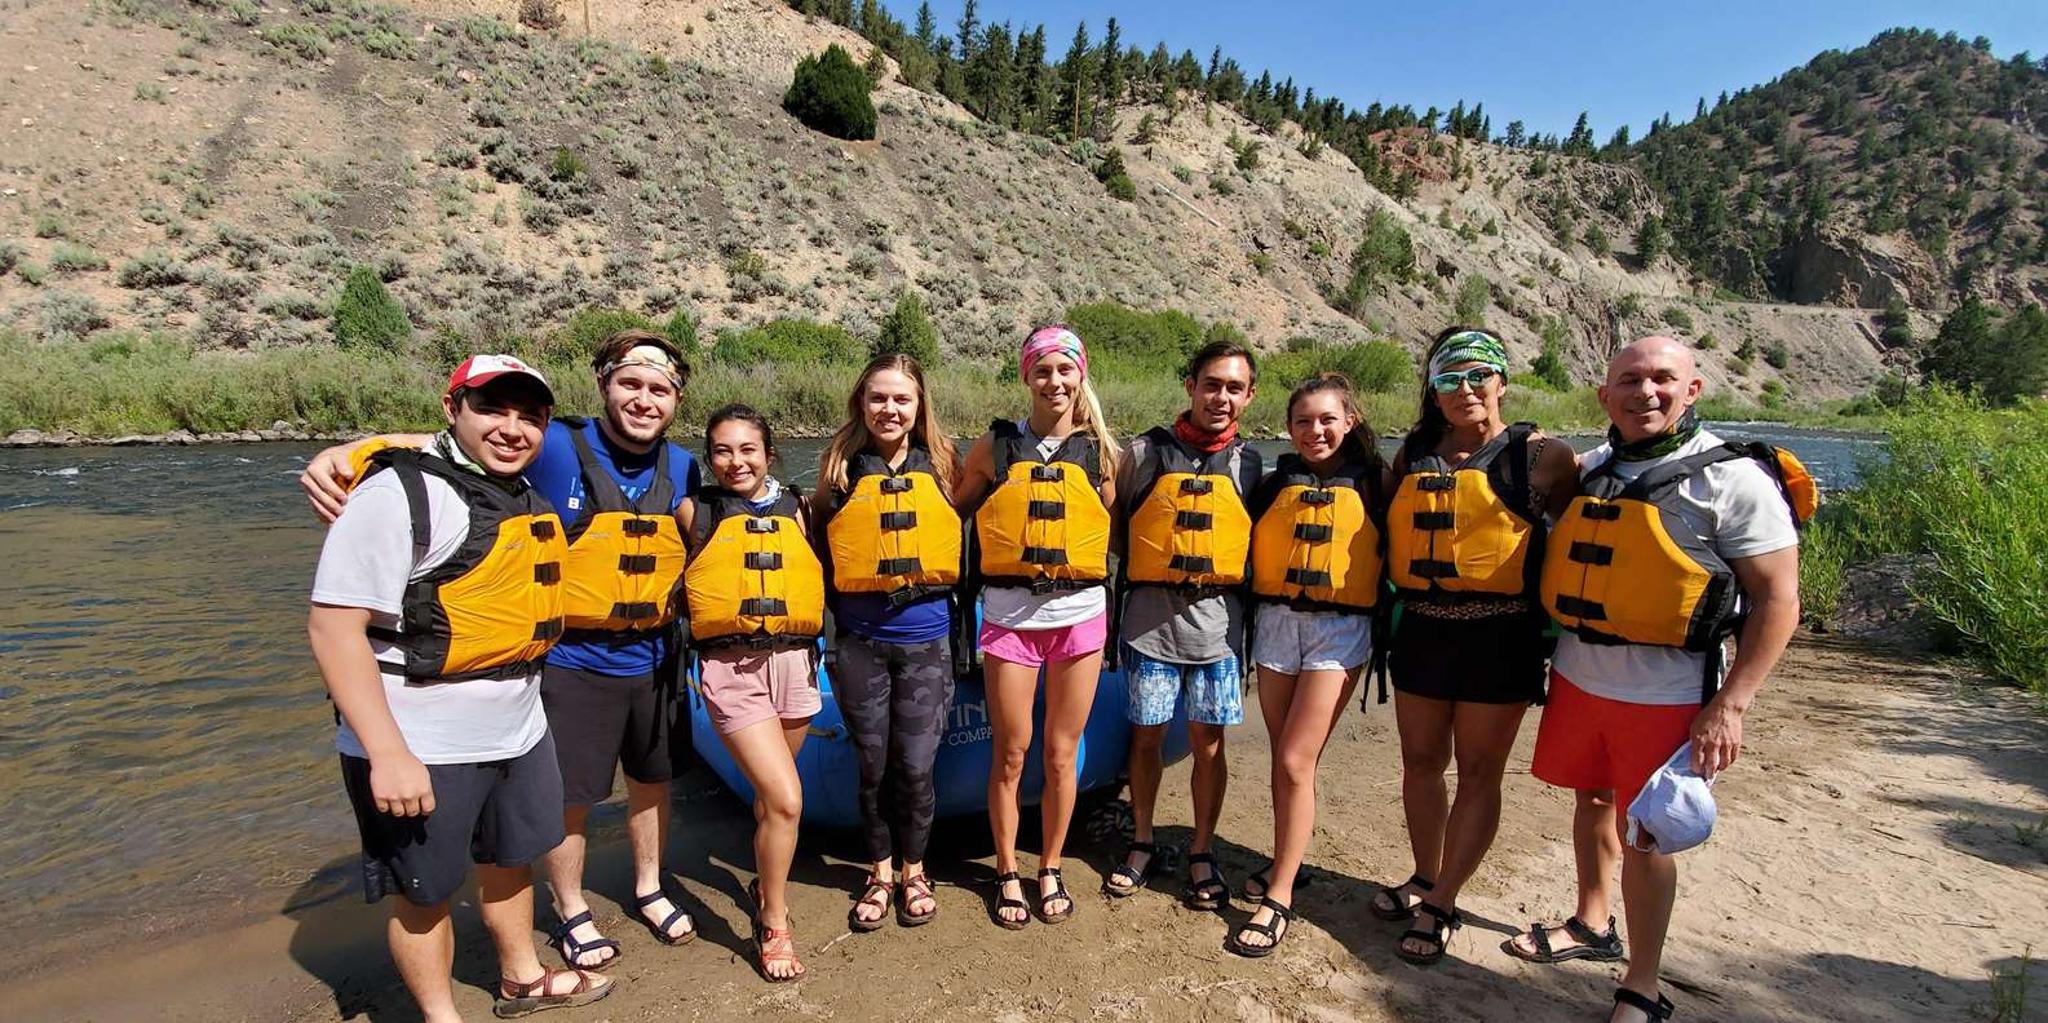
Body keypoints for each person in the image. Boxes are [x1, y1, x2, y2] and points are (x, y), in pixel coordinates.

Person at [299, 332, 703, 970]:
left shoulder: (682, 465)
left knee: (652, 784)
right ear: (604, 386)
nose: (643, 400)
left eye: (659, 390)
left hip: (653, 661)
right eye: (630, 384)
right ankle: (571, 907)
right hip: (571, 660)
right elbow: (455, 447)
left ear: (676, 400)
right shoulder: (554, 446)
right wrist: (350, 452)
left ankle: (648, 887)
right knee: (571, 795)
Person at [308, 355, 614, 1020]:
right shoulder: (396, 494)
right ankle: (441, 1014)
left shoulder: (521, 491)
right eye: (492, 409)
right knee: (425, 893)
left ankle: (522, 977)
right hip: (420, 738)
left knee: (512, 857)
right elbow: (334, 630)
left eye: (528, 416)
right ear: (452, 410)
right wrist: (386, 752)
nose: (512, 428)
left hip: (518, 725)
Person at [1509, 336, 1801, 1023]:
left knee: (1648, 834)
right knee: (1592, 801)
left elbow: (1779, 599)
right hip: (1584, 676)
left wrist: (1732, 705)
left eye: (1663, 380)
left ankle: (1642, 984)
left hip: (1672, 692)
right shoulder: (1595, 465)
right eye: (1630, 381)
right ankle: (1590, 919)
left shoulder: (1735, 479)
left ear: (1693, 389)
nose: (1647, 392)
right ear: (1604, 396)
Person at [1378, 326, 1580, 966]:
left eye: (1476, 375)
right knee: (1418, 760)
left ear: (1501, 380)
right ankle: (1422, 873)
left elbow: (1574, 542)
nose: (1463, 390)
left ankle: (1444, 899)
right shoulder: (1411, 454)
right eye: (1447, 379)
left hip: (1502, 634)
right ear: (1433, 391)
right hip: (1425, 629)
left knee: (1479, 771)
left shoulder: (1545, 457)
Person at [953, 324, 1118, 929]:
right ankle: (1005, 870)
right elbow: (952, 515)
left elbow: (1116, 532)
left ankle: (1048, 865)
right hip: (1009, 619)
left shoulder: (1101, 451)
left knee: (1059, 752)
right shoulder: (993, 448)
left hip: (1080, 620)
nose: (1054, 382)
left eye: (1064, 371)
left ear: (1080, 375)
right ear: (1026, 376)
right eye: (1042, 370)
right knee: (1012, 751)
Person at [1226, 372, 1386, 957]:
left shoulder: (1380, 482)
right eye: (1302, 421)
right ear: (1288, 428)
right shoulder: (1274, 483)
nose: (1314, 431)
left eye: (1326, 420)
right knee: (1287, 759)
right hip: (1276, 623)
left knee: (1296, 758)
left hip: (1339, 630)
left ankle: (1280, 894)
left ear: (1350, 421)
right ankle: (1285, 860)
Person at [1103, 340, 1261, 912]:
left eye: (1234, 387)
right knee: (1145, 738)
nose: (1221, 396)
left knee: (1209, 745)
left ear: (1249, 395)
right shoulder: (1141, 454)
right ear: (1191, 385)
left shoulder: (1251, 463)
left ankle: (1201, 849)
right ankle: (1143, 840)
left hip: (1218, 631)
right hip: (1149, 627)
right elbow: (1116, 534)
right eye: (1211, 384)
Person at [813, 354, 962, 931]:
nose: (889, 409)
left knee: (917, 767)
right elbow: (820, 543)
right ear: (862, 403)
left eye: (902, 398)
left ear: (919, 404)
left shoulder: (945, 465)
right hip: (860, 644)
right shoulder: (839, 469)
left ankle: (915, 870)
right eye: (878, 398)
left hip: (927, 643)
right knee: (873, 766)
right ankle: (879, 872)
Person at [680, 403, 825, 982]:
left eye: (747, 449)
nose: (735, 461)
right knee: (788, 799)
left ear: (769, 454)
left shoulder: (802, 509)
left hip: (794, 666)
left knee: (772, 802)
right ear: (708, 456)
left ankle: (765, 877)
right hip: (730, 673)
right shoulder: (694, 511)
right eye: (721, 450)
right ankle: (773, 918)